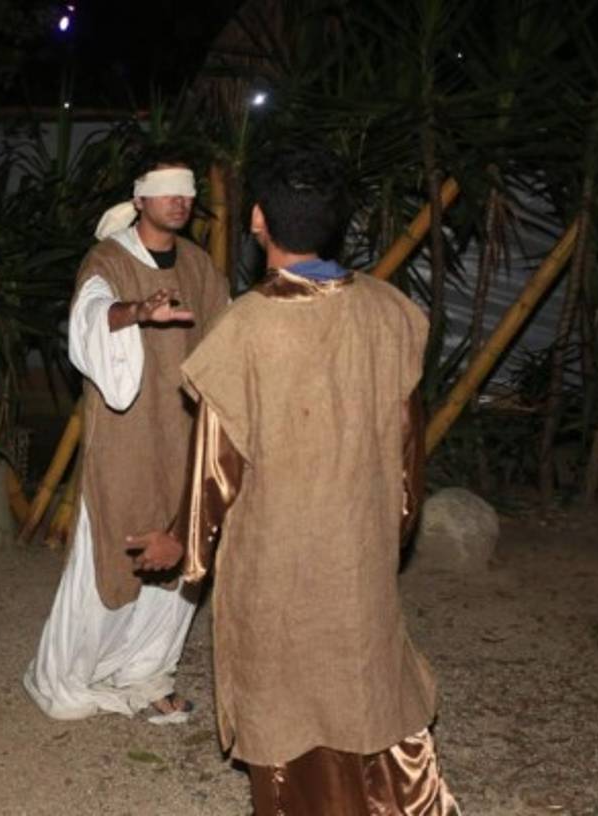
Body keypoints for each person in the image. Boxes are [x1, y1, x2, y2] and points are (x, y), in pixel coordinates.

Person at [130, 147, 461, 813]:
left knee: (287, 705)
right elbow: (408, 445)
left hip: (277, 559)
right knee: (365, 684)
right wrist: (393, 524)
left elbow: (216, 465)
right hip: (360, 546)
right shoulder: (391, 311)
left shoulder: (246, 328)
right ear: (338, 222)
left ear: (257, 220)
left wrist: (182, 544)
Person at [22, 155, 229, 724]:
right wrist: (137, 311)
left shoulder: (198, 265)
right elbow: (89, 314)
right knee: (111, 550)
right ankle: (64, 675)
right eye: (165, 191)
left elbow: (226, 331)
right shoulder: (108, 259)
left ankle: (146, 671)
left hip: (187, 429)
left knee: (181, 544)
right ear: (139, 198)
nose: (179, 199)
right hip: (127, 435)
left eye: (185, 191)